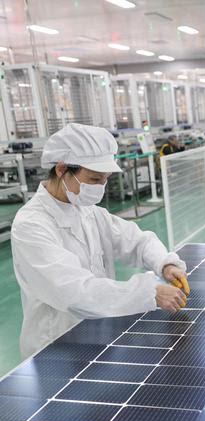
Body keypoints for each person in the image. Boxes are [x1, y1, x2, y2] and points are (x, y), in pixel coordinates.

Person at [11, 123, 190, 359]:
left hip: (97, 334)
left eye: (105, 180)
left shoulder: (87, 211)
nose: (100, 188)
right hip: (55, 347)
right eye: (94, 179)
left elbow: (137, 240)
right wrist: (149, 293)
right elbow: (75, 293)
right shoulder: (31, 225)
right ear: (62, 169)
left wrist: (165, 263)